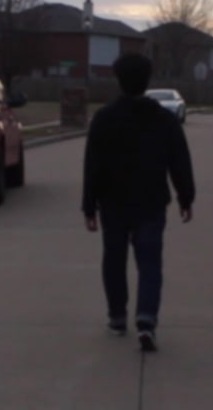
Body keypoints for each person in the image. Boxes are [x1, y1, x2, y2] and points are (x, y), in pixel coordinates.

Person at [82, 52, 196, 352]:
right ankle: (146, 320)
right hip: (151, 202)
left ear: (118, 80)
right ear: (147, 81)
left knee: (114, 260)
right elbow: (179, 161)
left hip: (113, 202)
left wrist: (89, 205)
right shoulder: (164, 119)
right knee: (150, 262)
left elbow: (92, 165)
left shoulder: (104, 119)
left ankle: (117, 318)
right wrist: (186, 197)